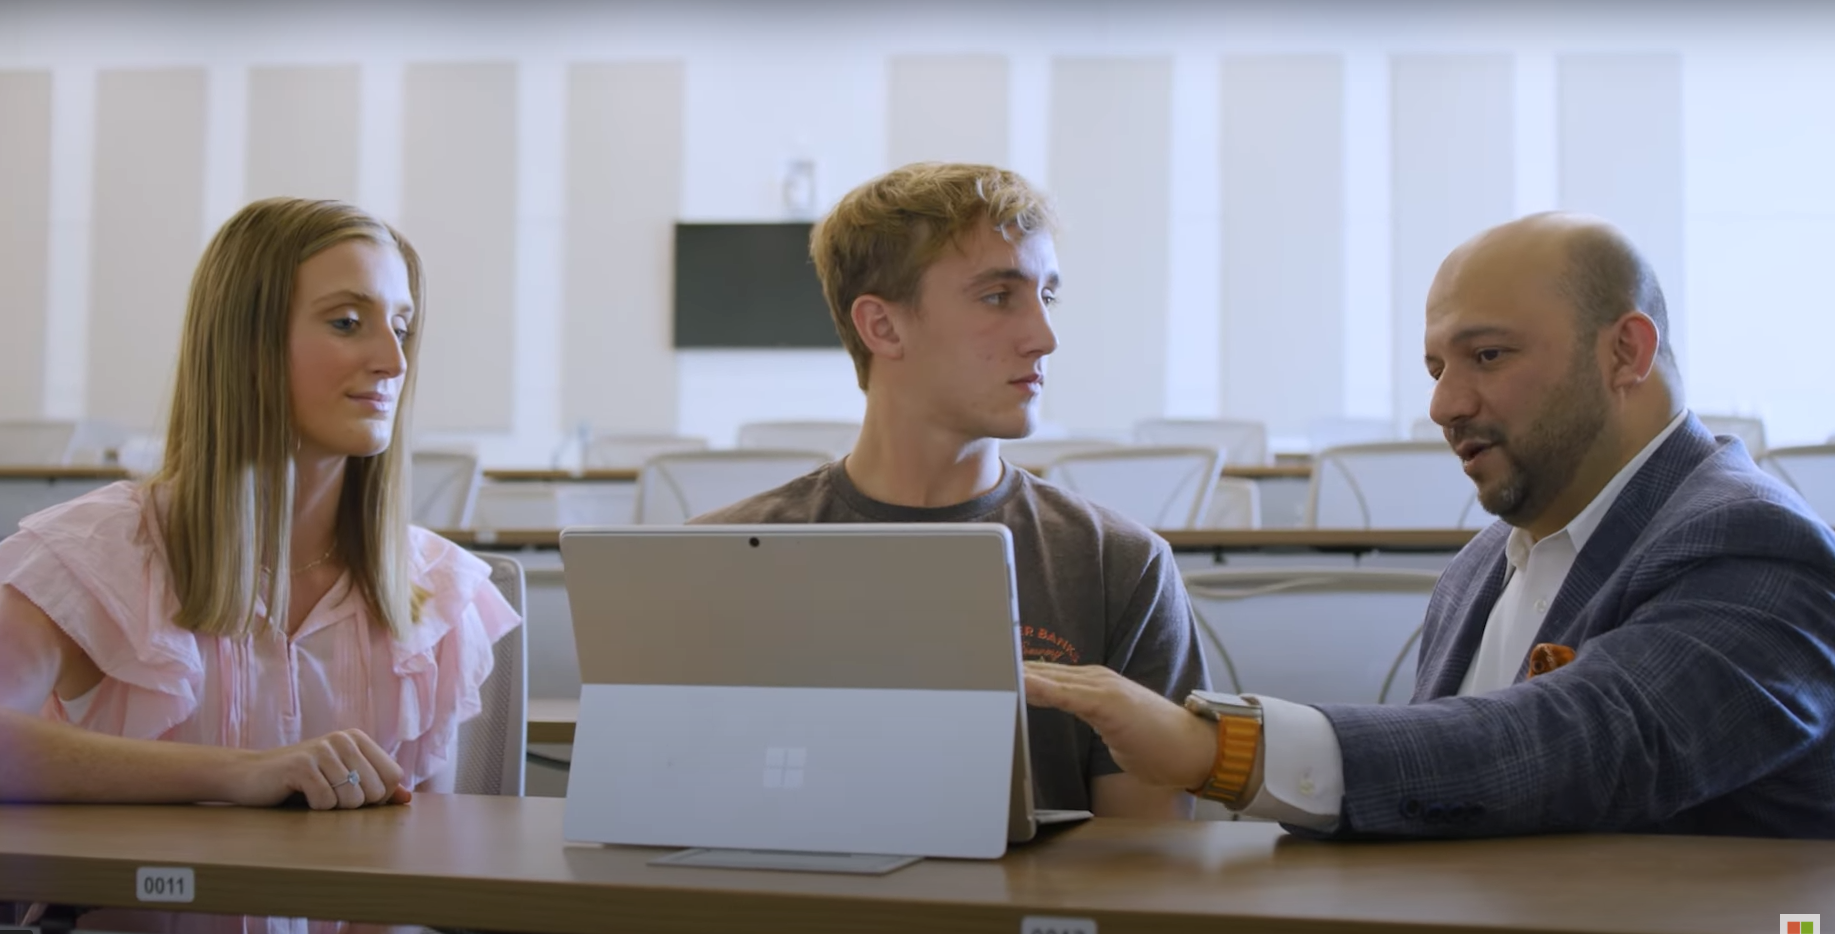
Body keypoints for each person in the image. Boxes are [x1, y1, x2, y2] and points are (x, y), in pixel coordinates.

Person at [1026, 212, 1835, 839]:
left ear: (1625, 352)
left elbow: (1575, 744)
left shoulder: (1755, 544)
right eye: (1435, 367)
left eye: (1486, 356)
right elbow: (1452, 805)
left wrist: (1222, 748)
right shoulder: (1482, 566)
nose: (1443, 404)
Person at [0, 198, 522, 929]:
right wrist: (242, 772)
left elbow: (419, 878)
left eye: (401, 328)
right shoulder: (98, 550)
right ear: (245, 341)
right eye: (348, 322)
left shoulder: (435, 589)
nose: (393, 361)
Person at [693, 162, 1210, 819]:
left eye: (1045, 296)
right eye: (999, 296)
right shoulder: (721, 560)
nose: (1044, 338)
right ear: (881, 328)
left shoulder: (1118, 566)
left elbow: (1142, 868)